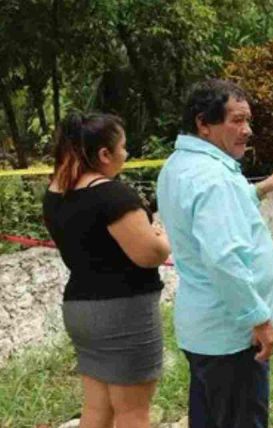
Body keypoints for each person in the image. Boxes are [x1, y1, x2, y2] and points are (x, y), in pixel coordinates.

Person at [156, 79, 273, 428]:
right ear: (203, 124)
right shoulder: (213, 178)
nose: (247, 130)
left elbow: (212, 215)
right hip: (233, 336)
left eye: (247, 120)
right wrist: (259, 319)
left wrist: (262, 188)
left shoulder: (180, 165)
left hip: (206, 332)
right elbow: (224, 260)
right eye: (236, 120)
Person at [43, 113, 171, 428]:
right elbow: (149, 255)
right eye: (123, 147)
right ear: (104, 154)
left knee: (97, 408)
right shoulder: (112, 195)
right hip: (123, 312)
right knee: (133, 413)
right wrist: (163, 238)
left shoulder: (57, 192)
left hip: (80, 309)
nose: (126, 154)